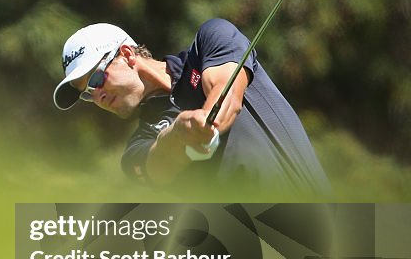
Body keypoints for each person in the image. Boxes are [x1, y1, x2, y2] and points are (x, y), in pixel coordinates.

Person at [52, 19, 331, 198]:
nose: (96, 95)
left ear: (126, 54)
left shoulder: (210, 41)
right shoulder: (137, 146)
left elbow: (225, 91)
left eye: (97, 79)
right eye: (86, 93)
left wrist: (207, 122)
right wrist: (179, 136)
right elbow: (158, 163)